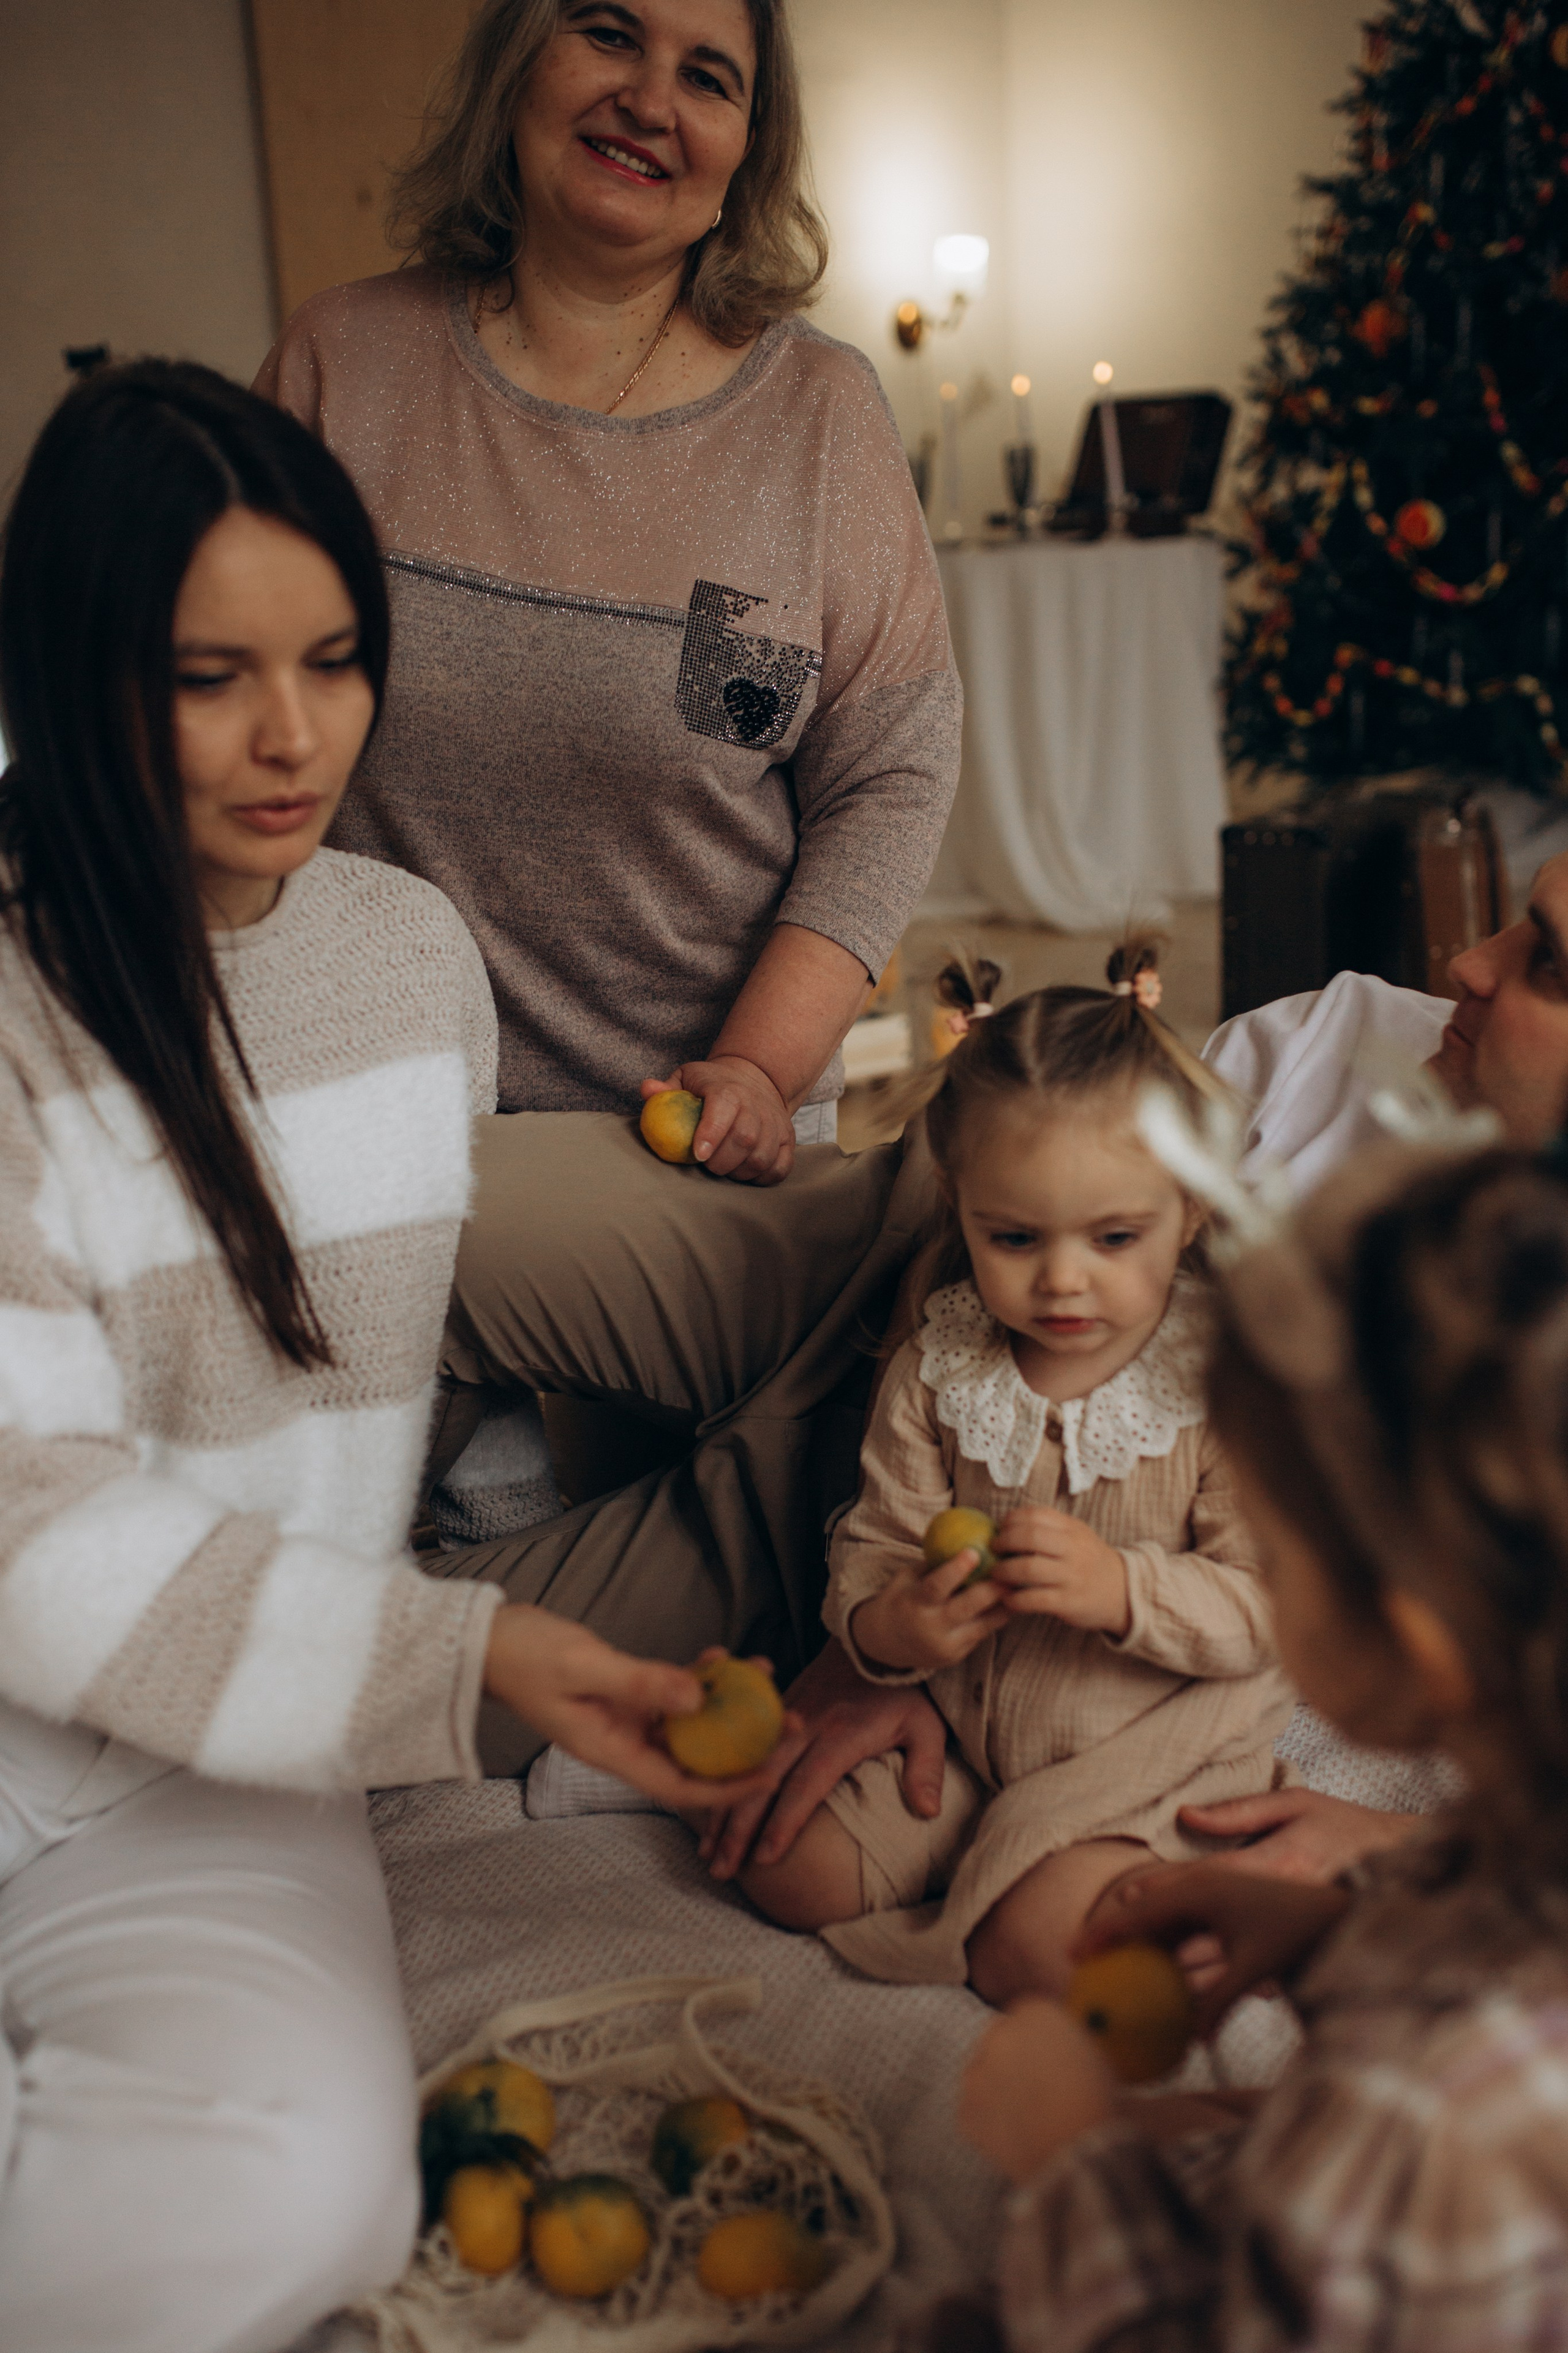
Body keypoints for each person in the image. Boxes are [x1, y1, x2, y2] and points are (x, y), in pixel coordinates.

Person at [0, 359, 774, 2353]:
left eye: (336, 659)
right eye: (209, 676)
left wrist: (484, 1617)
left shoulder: (410, 959)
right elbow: (32, 1524)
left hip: (223, 1764)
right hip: (66, 1696)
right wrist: (465, 1658)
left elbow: (381, 1391)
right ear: (82, 677)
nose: (296, 735)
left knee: (296, 2202)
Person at [255, 0, 959, 1182]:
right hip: (371, 1115)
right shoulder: (341, 362)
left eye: (710, 78)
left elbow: (890, 778)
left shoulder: (819, 416)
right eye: (610, 33)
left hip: (692, 1138)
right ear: (518, 64)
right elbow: (210, 709)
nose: (650, 101)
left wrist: (756, 1071)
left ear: (749, 152)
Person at [960, 1135, 1568, 2350]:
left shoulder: (1408, 2124)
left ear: (1417, 1646)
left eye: (1275, 1562)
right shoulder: (1526, 1837)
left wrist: (1071, 2157)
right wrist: (1334, 1927)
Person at [740, 945, 1295, 1996]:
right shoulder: (943, 1364)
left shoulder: (1222, 1381)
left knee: (1026, 1954)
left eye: (1116, 1235)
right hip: (963, 1732)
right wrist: (891, 1626)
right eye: (1014, 1236)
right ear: (961, 1206)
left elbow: (1271, 1608)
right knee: (783, 1862)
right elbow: (877, 1543)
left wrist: (1121, 1588)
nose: (1062, 1279)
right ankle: (986, 1838)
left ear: (1193, 1209)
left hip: (1146, 1755)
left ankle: (1090, 1871)